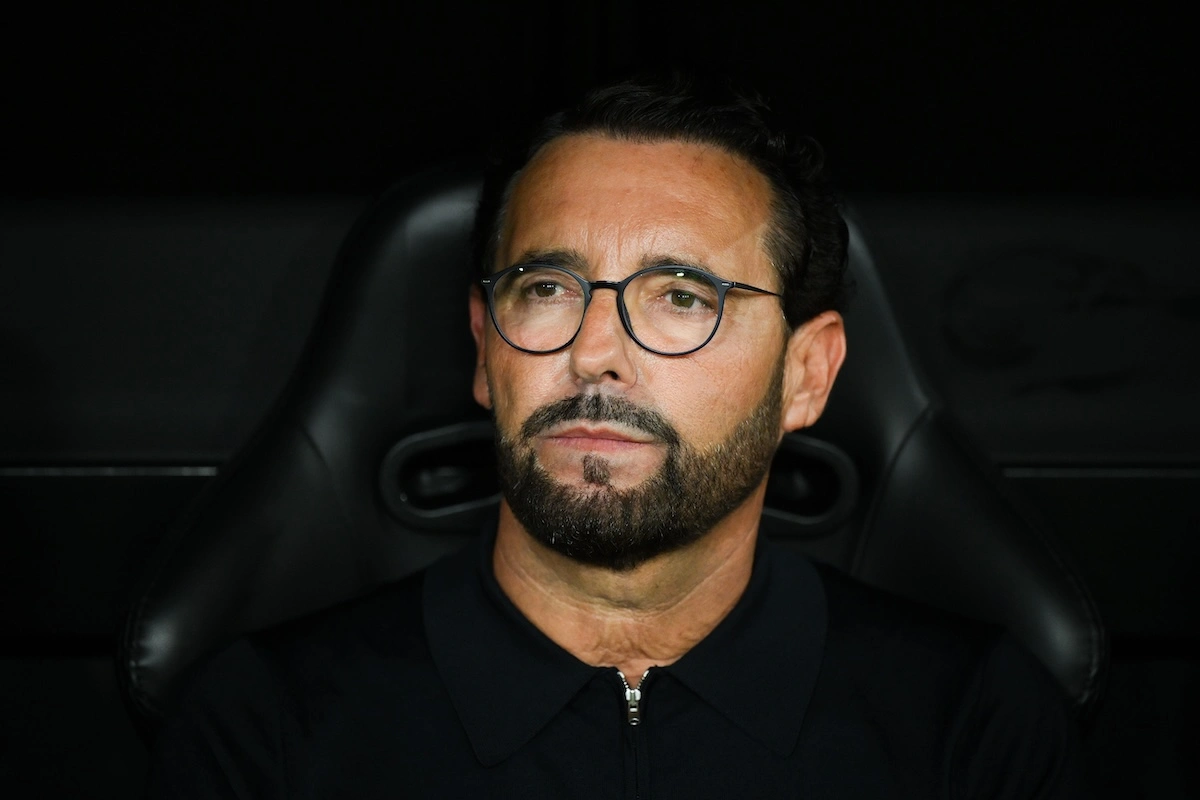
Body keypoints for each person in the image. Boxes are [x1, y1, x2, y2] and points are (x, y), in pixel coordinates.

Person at [148, 75, 1089, 798]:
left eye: (683, 298)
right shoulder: (266, 729)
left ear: (808, 375)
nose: (596, 352)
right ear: (485, 351)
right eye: (547, 289)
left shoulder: (972, 723)